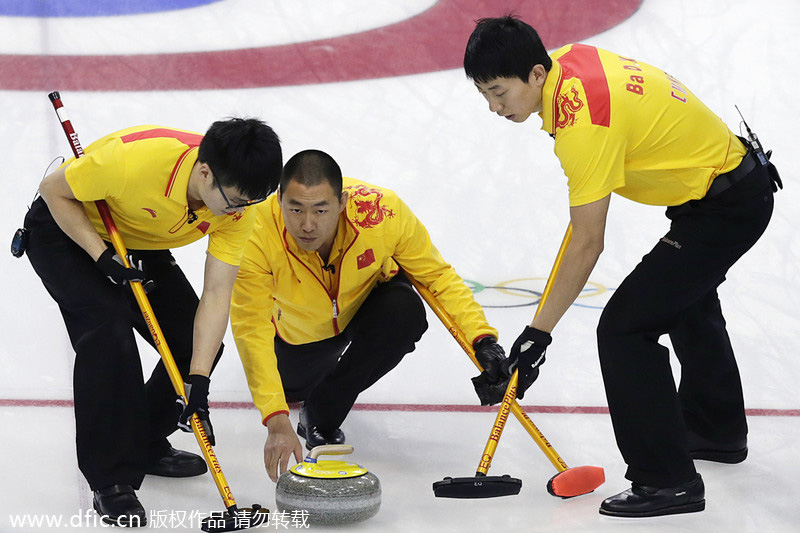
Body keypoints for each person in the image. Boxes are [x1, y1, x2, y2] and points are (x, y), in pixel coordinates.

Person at [463, 15, 780, 518]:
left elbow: (588, 242)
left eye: (499, 92)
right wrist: (538, 333)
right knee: (685, 301)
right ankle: (715, 431)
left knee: (624, 329)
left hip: (727, 205)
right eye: (484, 95)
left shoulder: (583, 122)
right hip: (722, 188)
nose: (494, 108)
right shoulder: (563, 64)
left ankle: (667, 480)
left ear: (536, 76)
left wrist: (536, 336)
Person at [22, 118, 282, 526]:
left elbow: (216, 294)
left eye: (248, 204)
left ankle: (142, 440)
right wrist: (100, 257)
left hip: (138, 238)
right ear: (204, 172)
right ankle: (111, 479)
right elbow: (52, 190)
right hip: (68, 231)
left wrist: (198, 381)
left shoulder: (239, 205)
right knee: (109, 334)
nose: (238, 212)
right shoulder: (130, 163)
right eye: (232, 201)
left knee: (192, 345)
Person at [230, 149, 507, 481]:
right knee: (292, 387)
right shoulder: (254, 230)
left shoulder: (381, 213)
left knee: (404, 312)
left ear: (343, 201)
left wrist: (483, 340)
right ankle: (306, 390)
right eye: (295, 209)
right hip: (297, 334)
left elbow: (437, 277)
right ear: (278, 200)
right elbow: (251, 328)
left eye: (321, 210)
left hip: (365, 306)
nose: (307, 224)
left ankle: (321, 415)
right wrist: (276, 418)